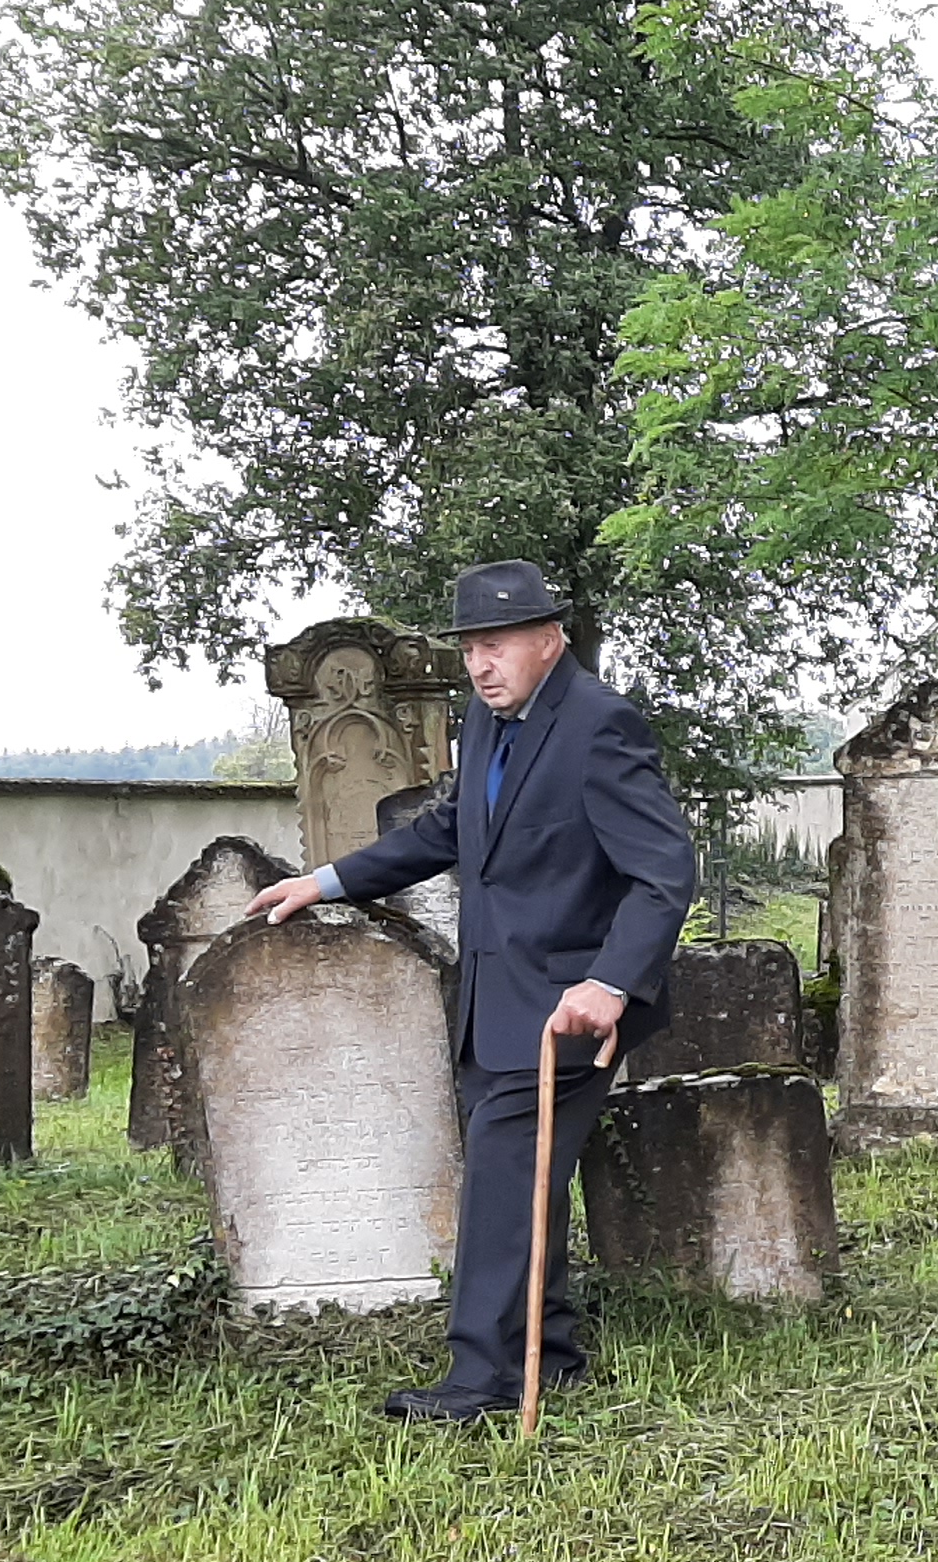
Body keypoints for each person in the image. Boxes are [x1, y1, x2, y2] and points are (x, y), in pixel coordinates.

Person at [242, 561, 697, 1421]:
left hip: (570, 1009)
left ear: (548, 639)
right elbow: (454, 829)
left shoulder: (599, 727)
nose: (480, 665)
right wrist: (330, 880)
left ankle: (479, 1383)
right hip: (496, 1002)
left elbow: (666, 871)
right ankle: (548, 1347)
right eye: (470, 650)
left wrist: (608, 983)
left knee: (498, 1181)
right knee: (523, 1174)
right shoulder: (490, 725)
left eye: (495, 646)